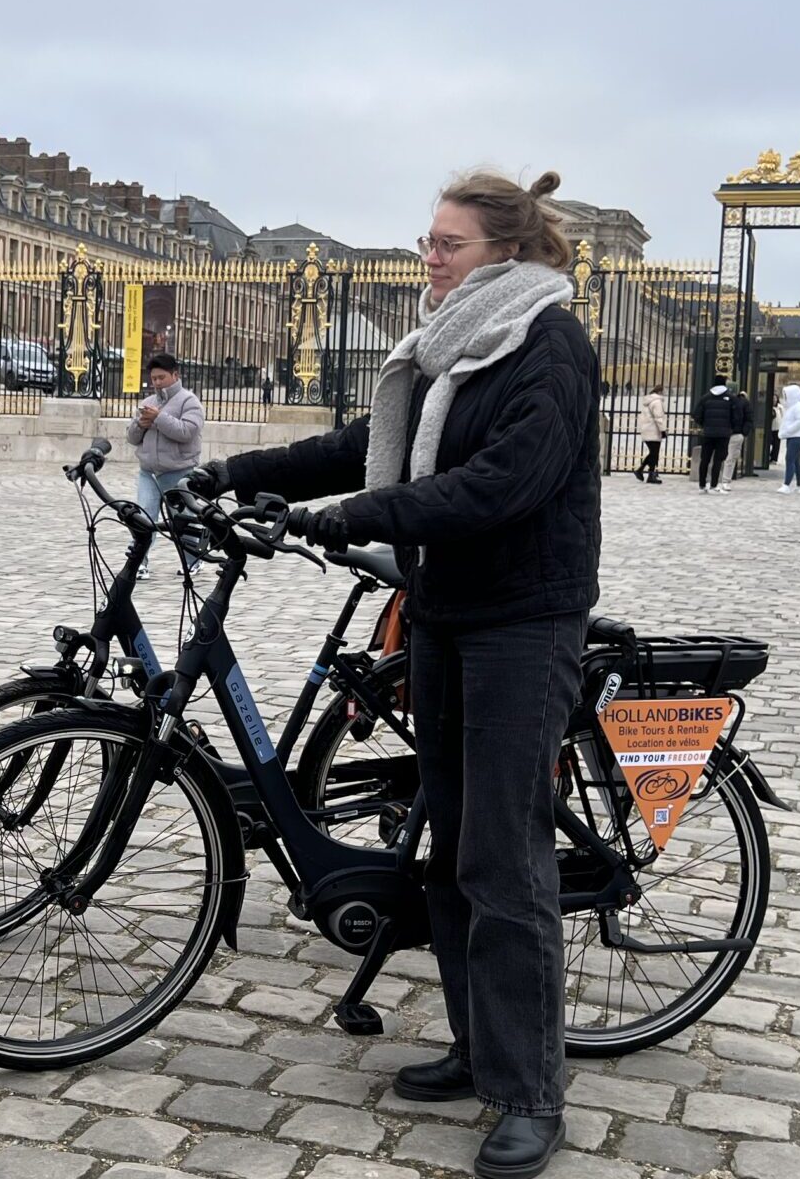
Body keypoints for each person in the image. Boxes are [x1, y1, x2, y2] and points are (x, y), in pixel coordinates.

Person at [190, 170, 598, 1178]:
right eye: (426, 241)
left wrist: (348, 521)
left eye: (446, 244)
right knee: (453, 847)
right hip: (446, 614)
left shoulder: (548, 343)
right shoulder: (440, 343)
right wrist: (239, 472)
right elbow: (361, 448)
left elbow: (499, 483)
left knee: (504, 857)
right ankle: (477, 1047)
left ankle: (532, 1091)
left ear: (503, 252)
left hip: (522, 619)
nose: (429, 258)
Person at [127, 353, 205, 578]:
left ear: (175, 375)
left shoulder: (189, 401)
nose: (157, 382)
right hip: (148, 472)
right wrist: (139, 425)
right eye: (154, 379)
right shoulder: (147, 403)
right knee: (144, 517)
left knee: (183, 520)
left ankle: (193, 560)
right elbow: (132, 438)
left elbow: (186, 432)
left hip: (178, 472)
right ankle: (139, 563)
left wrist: (159, 418)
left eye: (162, 377)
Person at [694, 378, 739, 493]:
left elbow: (696, 414)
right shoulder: (730, 398)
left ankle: (702, 485)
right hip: (723, 434)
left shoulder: (705, 398)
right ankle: (714, 485)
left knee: (705, 459)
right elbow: (736, 416)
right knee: (718, 460)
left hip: (708, 433)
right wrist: (730, 427)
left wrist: (704, 424)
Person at [776, 384, 800, 493]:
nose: (785, 398)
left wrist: (788, 430)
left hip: (797, 436)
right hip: (794, 436)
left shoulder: (798, 407)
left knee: (789, 459)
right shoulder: (793, 407)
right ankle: (799, 486)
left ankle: (786, 485)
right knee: (795, 461)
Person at [635, 383, 667, 483]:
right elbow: (658, 418)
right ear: (660, 392)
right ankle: (649, 474)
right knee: (654, 453)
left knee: (653, 453)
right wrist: (663, 430)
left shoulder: (649, 401)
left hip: (647, 429)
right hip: (654, 430)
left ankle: (644, 471)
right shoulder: (657, 402)